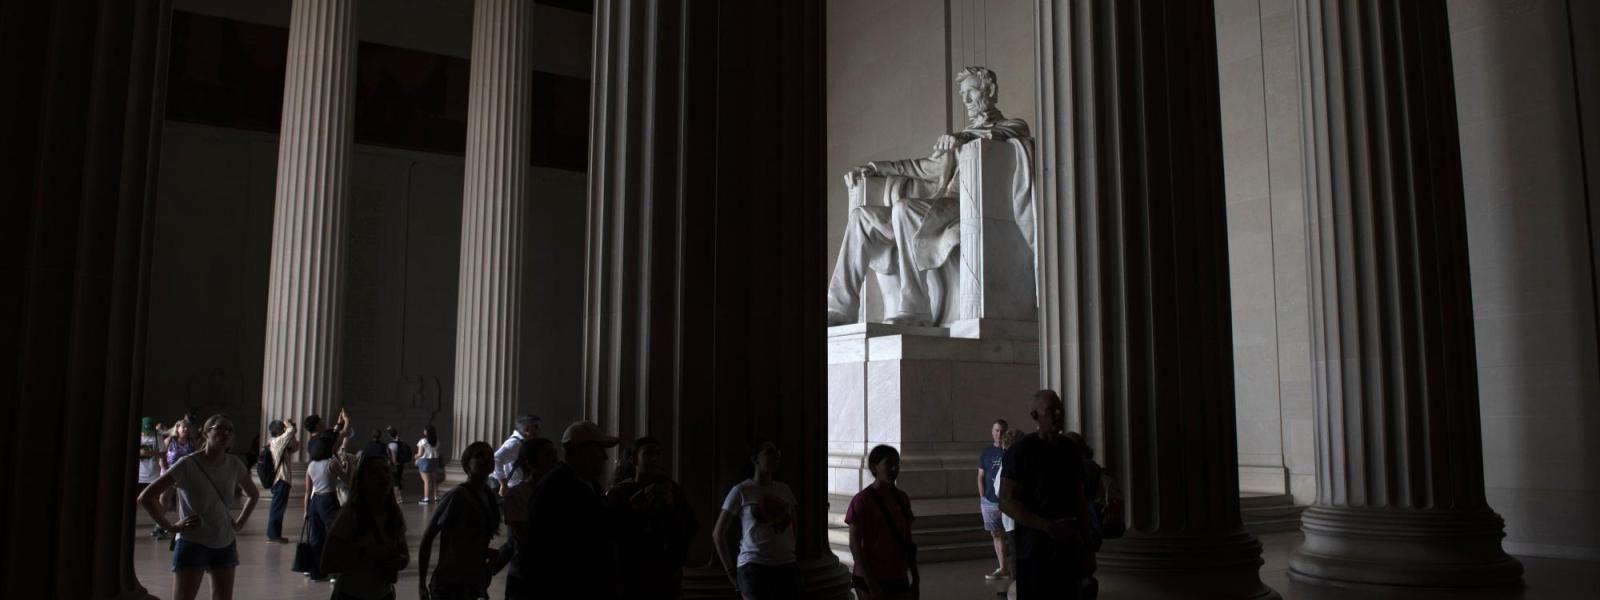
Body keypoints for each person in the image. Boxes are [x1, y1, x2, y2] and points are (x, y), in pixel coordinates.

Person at [136, 414, 260, 600]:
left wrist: (240, 523)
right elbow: (146, 497)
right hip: (193, 542)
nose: (226, 433)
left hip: (224, 542)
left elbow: (253, 494)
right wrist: (170, 527)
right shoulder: (187, 464)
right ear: (205, 433)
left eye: (230, 430)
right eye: (219, 428)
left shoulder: (234, 464)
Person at [998, 390, 1089, 599]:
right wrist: (1047, 526)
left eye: (1060, 408)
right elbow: (1005, 500)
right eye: (1051, 409)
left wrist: (1086, 545)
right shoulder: (1020, 451)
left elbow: (1079, 497)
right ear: (1034, 415)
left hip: (1068, 546)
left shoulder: (1070, 450)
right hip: (1034, 550)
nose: (1058, 414)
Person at [521, 421, 621, 599]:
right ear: (583, 452)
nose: (605, 457)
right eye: (599, 449)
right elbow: (541, 551)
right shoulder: (554, 489)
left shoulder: (588, 484)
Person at [606, 436, 700, 599]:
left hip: (665, 574)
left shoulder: (672, 490)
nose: (654, 459)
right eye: (647, 454)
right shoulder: (619, 493)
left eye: (658, 454)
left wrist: (670, 508)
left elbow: (690, 525)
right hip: (631, 573)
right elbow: (611, 531)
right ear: (635, 459)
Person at [715, 441, 798, 600]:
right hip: (754, 566)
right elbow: (718, 533)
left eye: (777, 453)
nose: (776, 457)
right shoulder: (741, 490)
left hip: (786, 565)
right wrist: (730, 572)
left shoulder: (784, 489)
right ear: (755, 459)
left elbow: (794, 526)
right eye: (769, 452)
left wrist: (790, 552)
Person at [418, 441, 501, 600]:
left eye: (489, 455)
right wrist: (421, 584)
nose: (486, 458)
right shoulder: (456, 496)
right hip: (451, 582)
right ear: (467, 465)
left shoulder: (489, 495)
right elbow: (428, 538)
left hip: (473, 581)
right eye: (479, 456)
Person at [320, 454, 409, 600]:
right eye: (374, 472)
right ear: (362, 481)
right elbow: (326, 563)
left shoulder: (393, 513)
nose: (383, 476)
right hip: (352, 595)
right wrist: (367, 554)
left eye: (386, 470)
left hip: (383, 594)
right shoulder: (350, 515)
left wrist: (396, 561)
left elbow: (404, 555)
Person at [847, 445, 919, 600]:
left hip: (897, 574)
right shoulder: (861, 501)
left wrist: (915, 578)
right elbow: (855, 545)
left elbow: (908, 541)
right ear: (875, 467)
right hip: (870, 576)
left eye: (897, 464)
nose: (894, 468)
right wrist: (871, 584)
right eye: (889, 463)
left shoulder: (902, 498)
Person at [304, 428, 348, 582]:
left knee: (316, 537)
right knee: (334, 535)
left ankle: (316, 571)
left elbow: (308, 490)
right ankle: (335, 571)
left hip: (314, 501)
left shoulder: (311, 465)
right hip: (328, 499)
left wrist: (306, 510)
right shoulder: (331, 463)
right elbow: (346, 479)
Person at [156, 418, 197, 540]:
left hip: (185, 475)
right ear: (177, 429)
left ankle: (182, 526)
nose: (185, 429)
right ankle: (159, 526)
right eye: (183, 427)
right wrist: (165, 471)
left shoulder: (191, 442)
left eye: (187, 427)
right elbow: (161, 457)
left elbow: (196, 457)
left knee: (183, 501)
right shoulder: (170, 440)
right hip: (169, 473)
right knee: (164, 501)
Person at [978, 419, 1009, 580]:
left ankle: (1011, 568)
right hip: (989, 500)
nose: (999, 434)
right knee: (996, 534)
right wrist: (983, 497)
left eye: (1002, 431)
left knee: (1009, 534)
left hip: (1006, 501)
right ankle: (1003, 566)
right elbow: (981, 476)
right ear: (992, 432)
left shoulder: (1009, 452)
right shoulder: (986, 452)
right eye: (996, 431)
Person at [264, 417, 298, 543]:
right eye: (282, 429)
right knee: (277, 509)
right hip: (281, 480)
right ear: (278, 431)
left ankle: (275, 535)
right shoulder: (277, 442)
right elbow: (289, 432)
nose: (284, 430)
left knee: (278, 508)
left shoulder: (278, 443)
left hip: (281, 480)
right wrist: (289, 425)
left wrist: (292, 431)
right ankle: (273, 536)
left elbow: (295, 447)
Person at [492, 415, 540, 496]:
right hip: (511, 489)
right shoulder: (514, 443)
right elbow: (496, 459)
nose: (538, 430)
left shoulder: (520, 443)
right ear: (527, 429)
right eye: (536, 427)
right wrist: (503, 484)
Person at [137, 417, 163, 539]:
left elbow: (163, 453)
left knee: (155, 500)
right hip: (139, 474)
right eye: (145, 431)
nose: (147, 433)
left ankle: (160, 524)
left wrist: (152, 454)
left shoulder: (157, 437)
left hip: (153, 474)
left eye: (149, 431)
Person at [416, 424, 442, 504]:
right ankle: (436, 498)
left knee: (426, 481)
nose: (424, 431)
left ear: (426, 432)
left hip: (424, 461)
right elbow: (437, 452)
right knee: (434, 481)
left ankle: (426, 499)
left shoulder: (422, 441)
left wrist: (415, 456)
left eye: (425, 430)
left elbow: (420, 454)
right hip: (434, 461)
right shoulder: (437, 441)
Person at [385, 426, 408, 503]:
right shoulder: (400, 442)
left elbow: (393, 458)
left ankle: (397, 498)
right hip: (401, 464)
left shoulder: (392, 445)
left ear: (389, 435)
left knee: (395, 482)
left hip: (395, 465)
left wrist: (394, 464)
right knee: (398, 480)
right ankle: (399, 497)